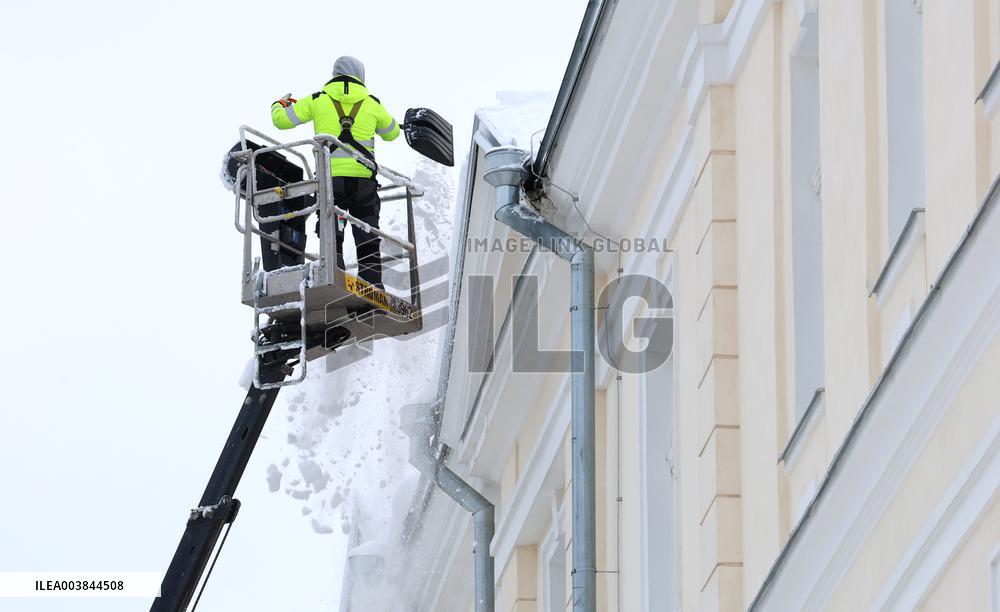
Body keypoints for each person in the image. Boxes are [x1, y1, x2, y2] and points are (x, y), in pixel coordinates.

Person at [270, 56, 400, 289]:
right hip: (364, 183)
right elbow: (392, 133)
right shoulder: (373, 104)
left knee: (333, 232)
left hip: (331, 183)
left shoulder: (317, 100)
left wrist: (280, 103)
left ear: (335, 74)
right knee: (367, 233)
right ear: (360, 75)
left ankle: (336, 278)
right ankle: (373, 285)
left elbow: (281, 121)